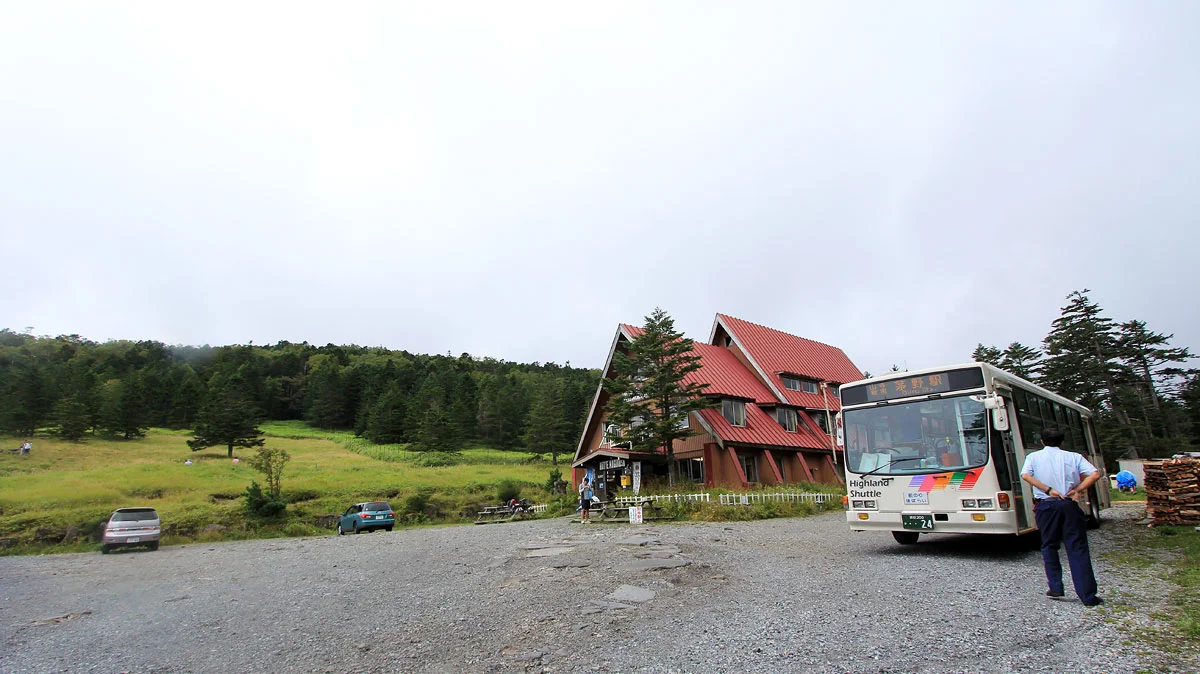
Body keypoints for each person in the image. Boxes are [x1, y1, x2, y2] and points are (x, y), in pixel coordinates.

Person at [1020, 428, 1103, 606]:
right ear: (1062, 442)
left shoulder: (1033, 457)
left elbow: (1026, 475)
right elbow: (1095, 474)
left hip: (1046, 504)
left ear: (1042, 441)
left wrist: (1047, 489)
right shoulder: (1073, 457)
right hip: (1068, 504)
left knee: (1049, 545)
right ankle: (1088, 596)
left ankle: (1056, 587)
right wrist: (1079, 489)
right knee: (1077, 548)